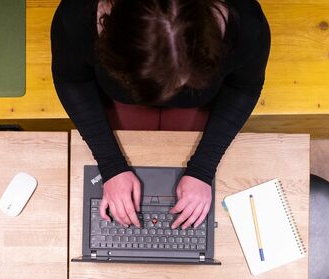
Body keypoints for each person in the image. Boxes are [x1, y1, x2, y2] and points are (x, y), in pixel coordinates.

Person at [51, 0, 270, 230]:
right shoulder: (77, 15)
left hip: (195, 106)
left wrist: (203, 169)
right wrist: (111, 167)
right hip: (121, 101)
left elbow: (244, 88)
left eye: (184, 82)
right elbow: (72, 81)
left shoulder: (247, 25)